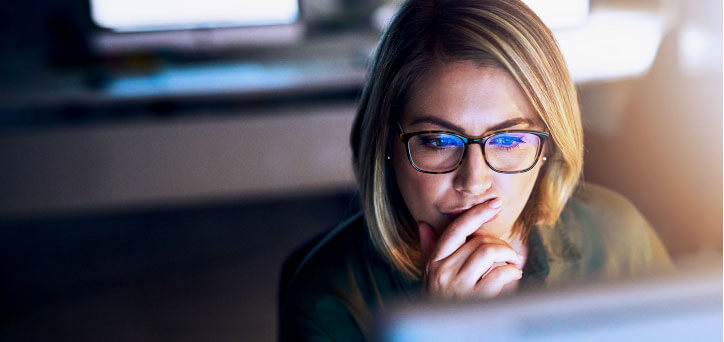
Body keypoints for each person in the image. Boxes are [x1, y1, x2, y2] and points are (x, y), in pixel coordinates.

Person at [279, 0, 674, 340]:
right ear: (387, 144)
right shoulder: (329, 298)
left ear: (548, 145)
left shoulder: (618, 237)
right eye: (437, 141)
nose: (474, 182)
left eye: (508, 140)